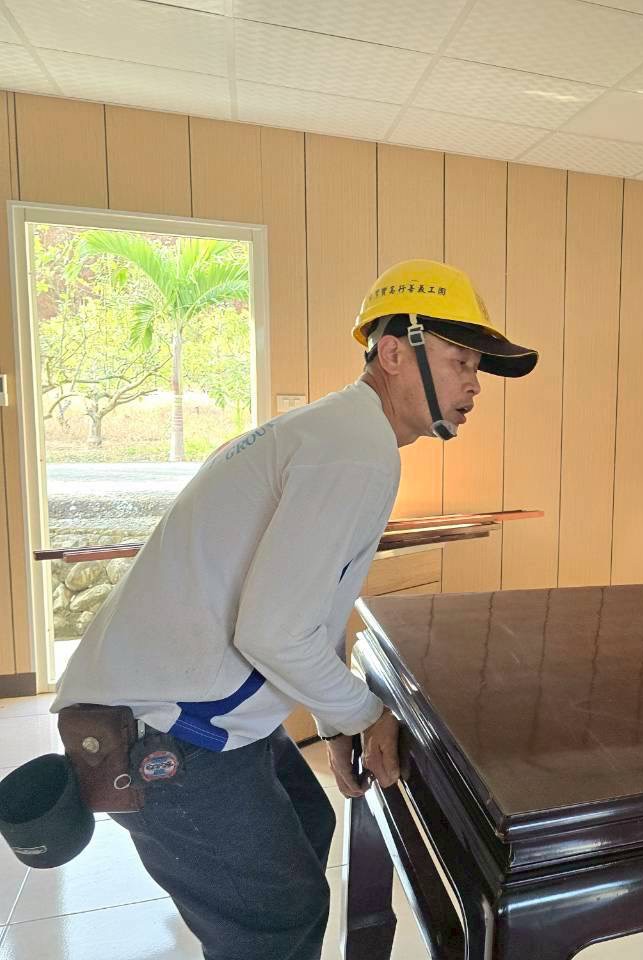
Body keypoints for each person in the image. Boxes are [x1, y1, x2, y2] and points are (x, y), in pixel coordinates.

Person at [51, 259, 537, 960]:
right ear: (394, 353)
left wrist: (334, 721)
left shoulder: (338, 433)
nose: (474, 384)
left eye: (477, 367)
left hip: (185, 713)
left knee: (309, 823)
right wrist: (365, 713)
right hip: (166, 734)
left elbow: (309, 607)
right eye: (461, 360)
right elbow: (274, 632)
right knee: (278, 922)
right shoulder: (355, 451)